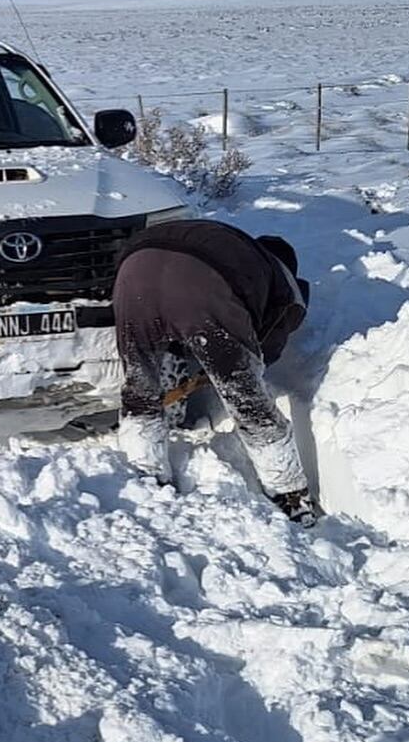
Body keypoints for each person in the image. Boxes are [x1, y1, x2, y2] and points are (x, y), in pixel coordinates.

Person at [112, 219, 320, 524]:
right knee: (250, 405)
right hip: (200, 283)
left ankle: (147, 477)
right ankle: (290, 497)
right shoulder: (283, 280)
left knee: (140, 389)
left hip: (134, 272)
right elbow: (266, 347)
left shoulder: (238, 247)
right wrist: (232, 369)